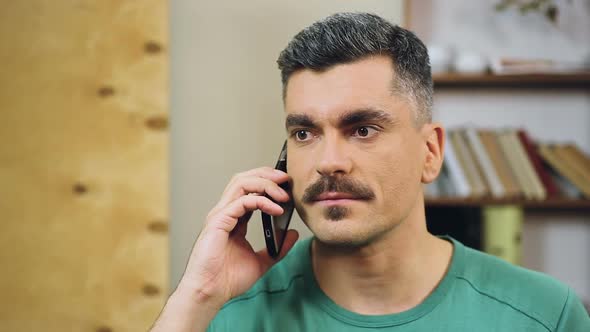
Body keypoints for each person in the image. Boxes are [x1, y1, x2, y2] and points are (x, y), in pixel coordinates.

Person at [151, 12, 590, 331]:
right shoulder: (225, 313)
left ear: (430, 152)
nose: (328, 161)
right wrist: (198, 296)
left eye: (362, 129)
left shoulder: (543, 314)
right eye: (305, 133)